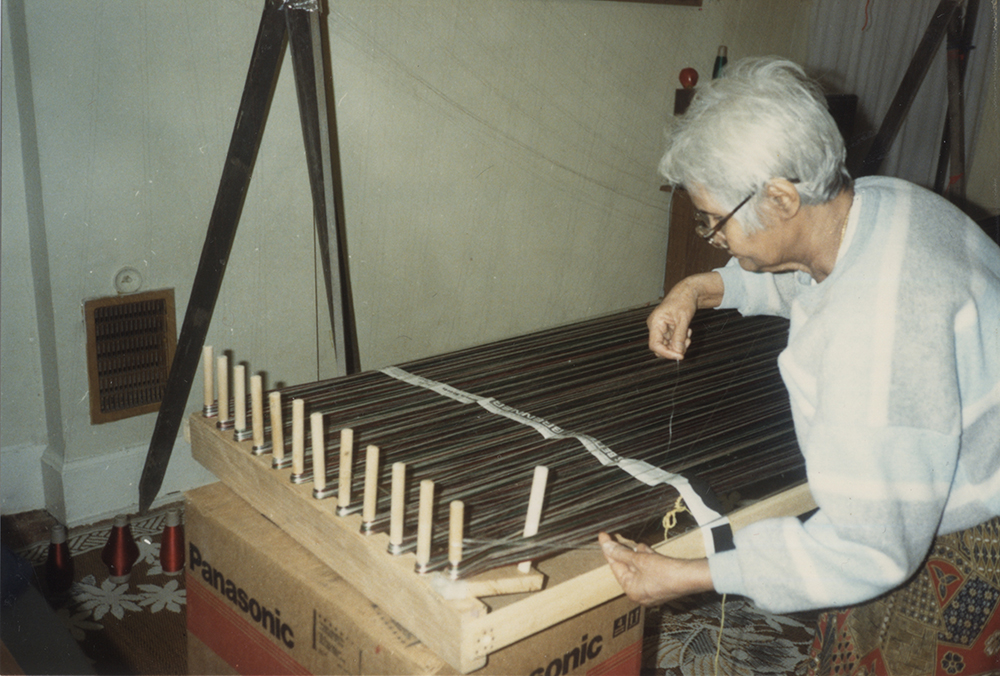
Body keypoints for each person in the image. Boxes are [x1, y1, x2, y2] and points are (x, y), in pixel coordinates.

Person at [599, 57, 1000, 673]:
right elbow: (818, 275)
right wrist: (699, 289)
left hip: (973, 541)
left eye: (714, 222)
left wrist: (686, 576)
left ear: (782, 199)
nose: (713, 234)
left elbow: (869, 549)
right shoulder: (883, 204)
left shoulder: (874, 335)